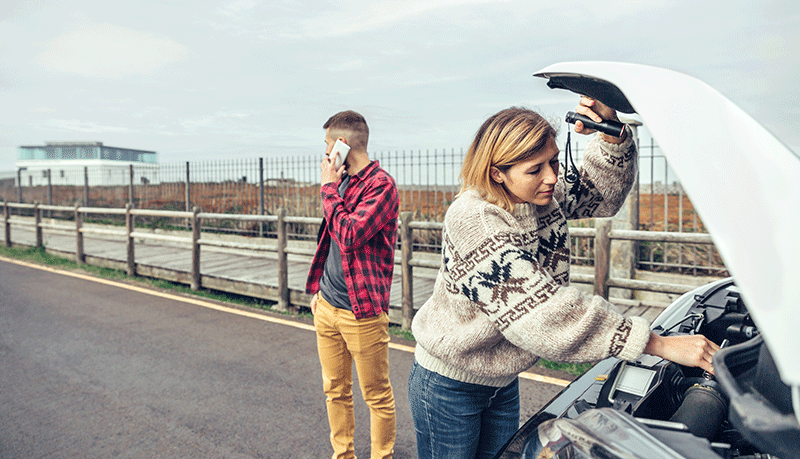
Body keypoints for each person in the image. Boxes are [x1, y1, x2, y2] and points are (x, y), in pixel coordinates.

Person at [407, 98, 719, 459]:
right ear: (497, 173)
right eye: (535, 168)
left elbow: (599, 196)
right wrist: (658, 344)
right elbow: (539, 313)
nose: (552, 177)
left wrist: (612, 135)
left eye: (554, 161)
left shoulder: (537, 196)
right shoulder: (474, 219)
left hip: (501, 380)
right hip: (449, 384)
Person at [306, 110, 399, 459]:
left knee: (376, 395)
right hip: (327, 307)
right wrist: (318, 290)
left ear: (342, 144)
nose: (326, 154)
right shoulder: (342, 181)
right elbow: (329, 240)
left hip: (361, 312)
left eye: (328, 145)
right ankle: (342, 456)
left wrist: (329, 187)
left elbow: (349, 235)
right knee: (335, 390)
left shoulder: (382, 186)